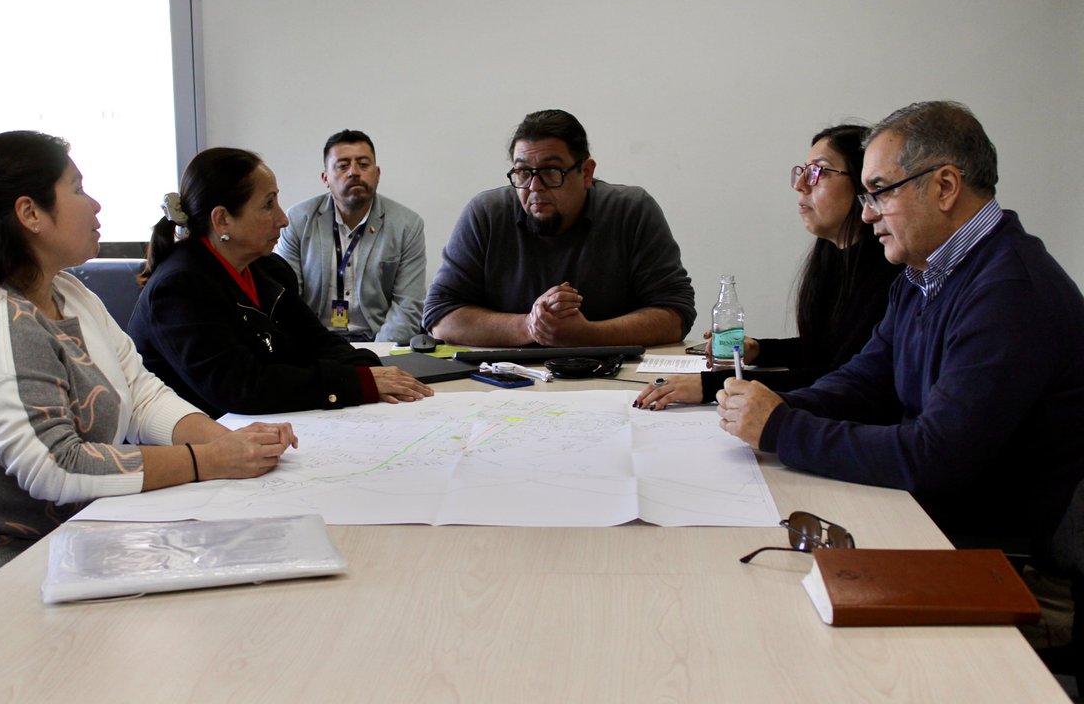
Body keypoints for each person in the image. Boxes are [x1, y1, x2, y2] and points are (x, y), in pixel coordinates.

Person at [0, 131, 295, 589]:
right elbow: (54, 466)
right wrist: (207, 461)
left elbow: (141, 395)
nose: (95, 204)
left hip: (50, 535)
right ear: (30, 213)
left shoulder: (70, 294)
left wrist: (232, 447)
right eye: (77, 189)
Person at [716, 101, 1084, 557]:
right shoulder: (923, 274)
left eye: (879, 191)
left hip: (988, 559)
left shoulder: (1011, 293)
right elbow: (865, 381)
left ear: (945, 186)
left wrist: (782, 429)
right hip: (923, 520)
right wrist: (775, 407)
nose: (867, 213)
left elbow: (936, 458)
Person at [128, 147, 432, 418]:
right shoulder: (180, 289)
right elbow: (243, 388)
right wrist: (358, 382)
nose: (283, 219)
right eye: (268, 204)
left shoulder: (267, 269)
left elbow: (316, 341)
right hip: (200, 450)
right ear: (222, 220)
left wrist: (374, 370)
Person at [635, 124, 900, 409]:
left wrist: (712, 386)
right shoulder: (834, 257)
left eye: (818, 171)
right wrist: (759, 349)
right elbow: (826, 351)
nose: (800, 184)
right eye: (803, 171)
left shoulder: (891, 273)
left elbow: (842, 377)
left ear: (864, 182)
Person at [423, 109, 696, 347]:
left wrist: (588, 334)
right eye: (523, 172)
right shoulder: (485, 214)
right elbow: (440, 316)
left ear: (586, 172)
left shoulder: (631, 210)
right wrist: (532, 325)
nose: (534, 187)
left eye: (551, 172)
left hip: (611, 373)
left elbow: (675, 315)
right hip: (506, 376)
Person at [275, 129, 426, 343]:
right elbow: (286, 300)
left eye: (363, 165)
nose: (354, 172)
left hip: (378, 342)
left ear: (378, 174)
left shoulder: (407, 225)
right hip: (315, 343)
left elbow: (407, 307)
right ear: (325, 178)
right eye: (343, 166)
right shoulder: (297, 221)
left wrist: (378, 358)